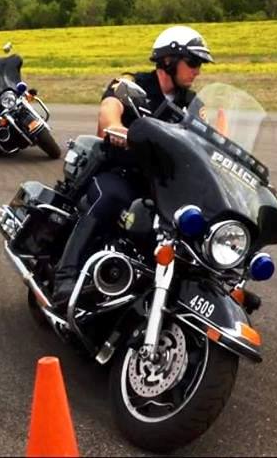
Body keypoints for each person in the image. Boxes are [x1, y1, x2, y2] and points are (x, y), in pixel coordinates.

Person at [51, 25, 213, 307]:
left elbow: (211, 139)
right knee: (109, 197)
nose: (198, 70)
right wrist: (115, 126)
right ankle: (66, 276)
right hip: (122, 173)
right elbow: (110, 108)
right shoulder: (133, 84)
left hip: (162, 186)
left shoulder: (193, 103)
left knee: (198, 224)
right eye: (193, 62)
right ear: (168, 60)